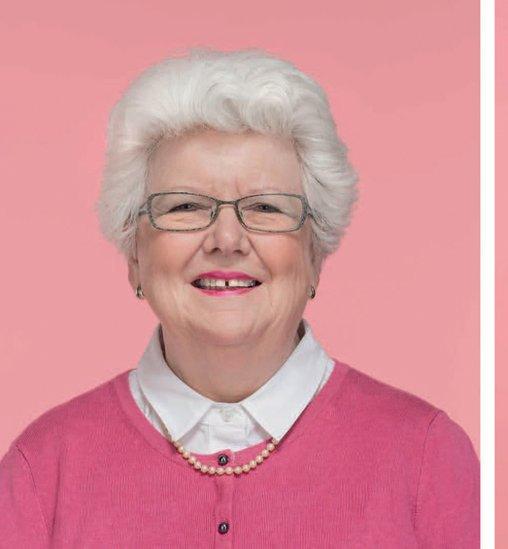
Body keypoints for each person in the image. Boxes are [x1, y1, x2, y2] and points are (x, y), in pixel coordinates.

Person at [0, 47, 479, 547]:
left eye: (266, 207)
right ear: (134, 253)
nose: (226, 238)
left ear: (315, 253)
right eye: (185, 205)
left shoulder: (427, 458)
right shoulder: (43, 471)